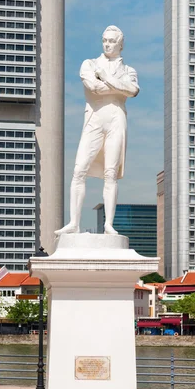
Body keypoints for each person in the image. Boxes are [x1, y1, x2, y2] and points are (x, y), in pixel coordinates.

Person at [55, 25, 139, 236]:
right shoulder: (89, 64)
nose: (107, 44)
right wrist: (118, 86)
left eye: (112, 41)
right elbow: (94, 88)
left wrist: (106, 78)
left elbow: (133, 90)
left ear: (120, 44)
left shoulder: (129, 70)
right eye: (104, 40)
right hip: (95, 118)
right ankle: (74, 222)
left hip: (116, 120)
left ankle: (108, 224)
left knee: (110, 173)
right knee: (79, 169)